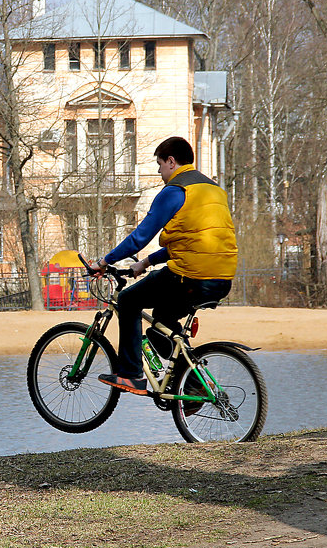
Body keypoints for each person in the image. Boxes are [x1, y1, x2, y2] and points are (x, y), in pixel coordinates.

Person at [93, 136, 237, 394]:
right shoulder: (213, 189)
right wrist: (147, 262)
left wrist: (104, 261)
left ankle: (131, 375)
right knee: (163, 324)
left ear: (171, 161)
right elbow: (192, 241)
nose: (160, 172)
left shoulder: (176, 190)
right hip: (222, 278)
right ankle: (193, 389)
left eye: (160, 165)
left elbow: (140, 237)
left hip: (190, 275)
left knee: (128, 301)